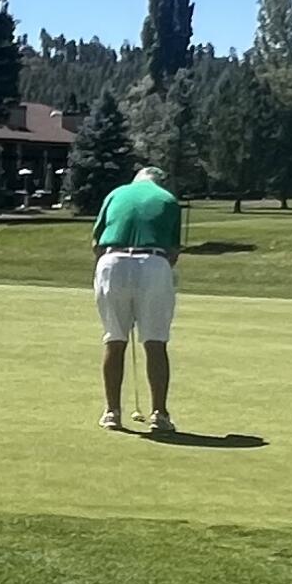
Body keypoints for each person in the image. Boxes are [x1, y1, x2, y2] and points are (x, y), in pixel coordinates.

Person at [92, 161, 182, 435]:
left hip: (112, 262)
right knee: (155, 341)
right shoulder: (168, 199)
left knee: (114, 339)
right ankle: (160, 414)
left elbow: (96, 243)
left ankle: (112, 413)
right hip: (154, 263)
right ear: (160, 182)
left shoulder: (115, 194)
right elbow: (173, 251)